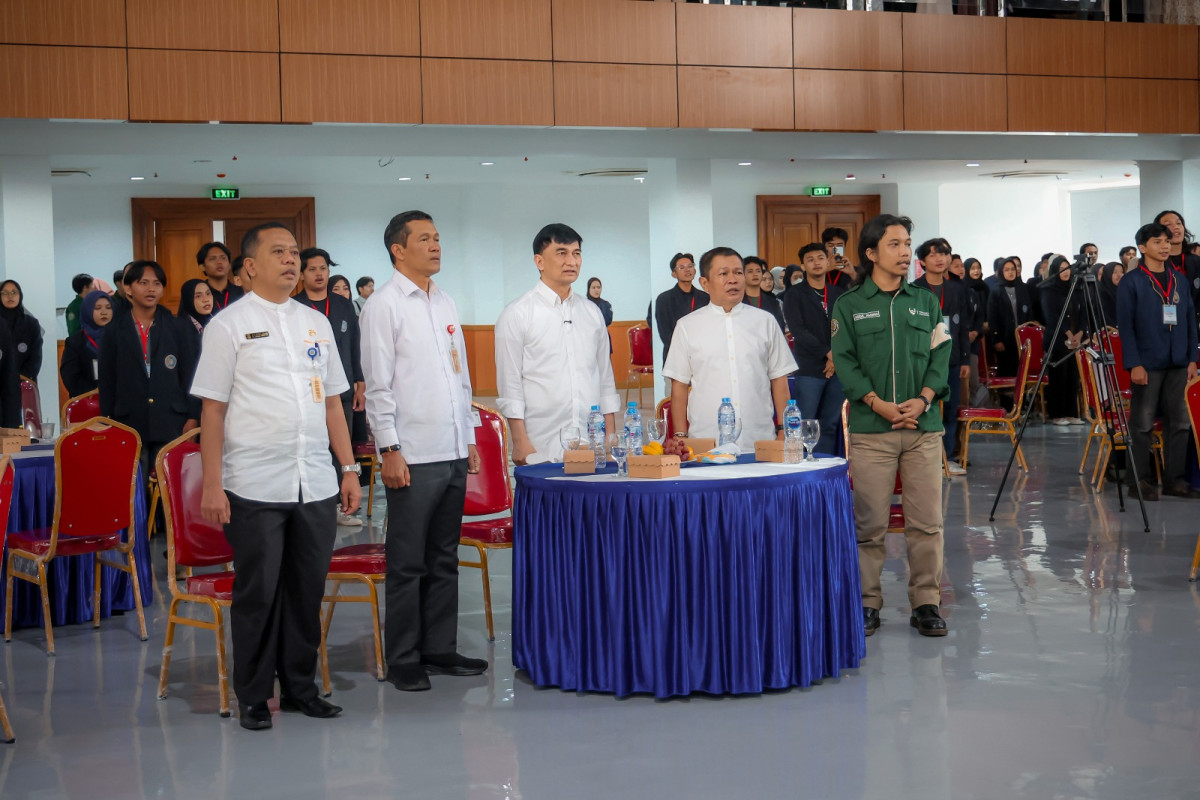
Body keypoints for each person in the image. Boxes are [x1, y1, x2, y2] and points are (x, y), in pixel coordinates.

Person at [192, 222, 361, 730]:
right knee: (258, 593)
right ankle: (252, 694)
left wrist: (348, 468)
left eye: (294, 252)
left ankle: (300, 688)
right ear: (250, 266)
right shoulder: (229, 325)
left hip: (314, 479)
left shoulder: (316, 322)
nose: (291, 260)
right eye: (278, 252)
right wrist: (214, 483)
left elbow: (334, 402)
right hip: (254, 483)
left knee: (306, 590)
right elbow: (213, 412)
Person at [360, 210, 486, 693]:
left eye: (438, 238)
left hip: (451, 447)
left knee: (443, 557)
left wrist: (470, 436)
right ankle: (405, 656)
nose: (436, 246)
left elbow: (461, 375)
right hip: (411, 452)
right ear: (398, 249)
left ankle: (439, 646)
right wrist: (388, 448)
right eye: (425, 239)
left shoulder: (445, 301)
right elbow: (379, 386)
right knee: (408, 561)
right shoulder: (385, 305)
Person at [830, 214, 951, 638]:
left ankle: (926, 603)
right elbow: (844, 362)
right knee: (869, 524)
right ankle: (867, 603)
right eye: (895, 245)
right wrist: (877, 404)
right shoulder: (849, 305)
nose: (905, 252)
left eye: (907, 244)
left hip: (923, 428)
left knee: (926, 522)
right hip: (871, 428)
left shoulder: (927, 301)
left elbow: (941, 356)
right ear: (871, 253)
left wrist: (923, 399)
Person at [496, 225, 619, 464]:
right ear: (539, 261)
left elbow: (605, 377)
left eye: (577, 253)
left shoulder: (592, 312)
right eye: (561, 253)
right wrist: (520, 441)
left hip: (590, 439)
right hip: (541, 442)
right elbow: (510, 383)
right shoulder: (517, 314)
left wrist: (610, 435)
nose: (571, 261)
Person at [662, 247, 795, 447]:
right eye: (723, 274)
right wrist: (681, 436)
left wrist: (784, 430)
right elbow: (679, 386)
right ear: (705, 283)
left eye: (738, 272)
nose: (733, 280)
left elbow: (779, 379)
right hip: (706, 441)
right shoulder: (687, 326)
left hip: (759, 439)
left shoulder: (765, 321)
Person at [1116, 222, 1200, 501]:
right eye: (1157, 242)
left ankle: (1175, 480)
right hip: (1147, 363)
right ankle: (1138, 480)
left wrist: (1192, 358)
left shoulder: (1179, 279)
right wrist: (1134, 363)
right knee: (1142, 424)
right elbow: (1125, 327)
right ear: (1142, 248)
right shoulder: (1132, 282)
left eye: (1166, 241)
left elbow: (1189, 320)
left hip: (1178, 361)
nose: (1165, 246)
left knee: (1180, 422)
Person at [98, 260, 200, 479]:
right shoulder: (115, 330)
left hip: (172, 421)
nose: (151, 288)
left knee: (169, 489)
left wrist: (193, 418)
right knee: (133, 490)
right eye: (143, 283)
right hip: (128, 422)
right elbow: (107, 380)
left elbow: (191, 376)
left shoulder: (178, 327)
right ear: (128, 289)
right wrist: (108, 420)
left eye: (156, 283)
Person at [295, 248, 365, 527]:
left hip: (343, 391)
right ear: (301, 274)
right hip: (308, 395)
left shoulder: (342, 304)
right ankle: (314, 506)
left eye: (323, 268)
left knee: (341, 447)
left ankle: (340, 505)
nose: (319, 273)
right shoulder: (295, 307)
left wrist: (359, 381)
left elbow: (354, 344)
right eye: (312, 269)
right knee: (314, 449)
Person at [913, 238, 971, 473]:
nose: (940, 259)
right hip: (922, 361)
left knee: (950, 407)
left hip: (952, 359)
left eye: (944, 254)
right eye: (934, 255)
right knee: (924, 408)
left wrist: (966, 358)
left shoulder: (957, 289)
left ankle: (946, 458)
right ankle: (923, 458)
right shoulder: (914, 289)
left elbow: (963, 326)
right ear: (923, 261)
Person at [782, 243, 844, 455]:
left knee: (830, 424)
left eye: (820, 258)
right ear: (803, 265)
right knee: (805, 423)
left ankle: (824, 465)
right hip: (809, 368)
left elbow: (845, 328)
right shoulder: (794, 294)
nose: (816, 263)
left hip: (837, 370)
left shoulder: (839, 293)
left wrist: (835, 358)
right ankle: (801, 468)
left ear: (828, 262)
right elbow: (799, 331)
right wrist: (828, 353)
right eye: (810, 259)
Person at [1038, 255, 1087, 426]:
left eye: (1068, 268)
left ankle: (1071, 413)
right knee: (1059, 377)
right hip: (1057, 340)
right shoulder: (1048, 290)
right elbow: (1052, 317)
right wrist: (1068, 333)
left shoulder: (1076, 288)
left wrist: (1080, 333)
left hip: (1075, 341)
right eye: (1061, 269)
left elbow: (1083, 313)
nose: (1065, 273)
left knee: (1073, 377)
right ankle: (1057, 414)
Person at [654, 252, 709, 364]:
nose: (687, 270)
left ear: (695, 271)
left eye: (690, 266)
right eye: (681, 267)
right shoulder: (664, 299)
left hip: (702, 358)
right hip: (675, 359)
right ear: (674, 274)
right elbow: (665, 334)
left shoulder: (705, 298)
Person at [60, 290, 113, 397]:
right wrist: (95, 393)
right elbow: (71, 377)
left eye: (108, 307)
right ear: (87, 310)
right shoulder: (75, 342)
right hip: (87, 400)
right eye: (97, 308)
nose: (104, 312)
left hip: (120, 402)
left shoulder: (121, 338)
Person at [987, 257, 1033, 378]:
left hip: (1023, 339)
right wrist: (996, 339)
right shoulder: (996, 291)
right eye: (1007, 270)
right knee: (1007, 373)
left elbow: (1029, 313)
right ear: (1001, 272)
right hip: (1005, 340)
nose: (1011, 272)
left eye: (1013, 269)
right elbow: (993, 318)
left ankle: (1023, 397)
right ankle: (1007, 397)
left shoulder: (1022, 288)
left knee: (1023, 372)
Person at [0, 280, 43, 382]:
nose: (10, 296)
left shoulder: (31, 324)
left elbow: (36, 357)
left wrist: (20, 378)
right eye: (5, 293)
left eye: (14, 292)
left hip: (24, 383)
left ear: (20, 295)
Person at [740, 256, 785, 331]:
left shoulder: (773, 303)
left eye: (758, 271)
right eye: (750, 271)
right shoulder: (737, 302)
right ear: (743, 274)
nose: (755, 274)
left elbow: (780, 329)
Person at [198, 241, 244, 312]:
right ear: (202, 267)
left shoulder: (242, 292)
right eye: (212, 259)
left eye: (223, 258)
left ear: (229, 265)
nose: (219, 262)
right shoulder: (196, 294)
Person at [177, 278, 214, 343]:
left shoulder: (218, 322)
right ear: (188, 300)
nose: (206, 299)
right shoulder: (179, 331)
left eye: (208, 293)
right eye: (198, 296)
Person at [585, 276, 614, 353]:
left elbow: (608, 321)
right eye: (593, 287)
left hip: (603, 337)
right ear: (589, 289)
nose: (596, 290)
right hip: (588, 339)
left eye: (598, 287)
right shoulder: (584, 305)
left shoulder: (606, 304)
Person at [1097, 261, 1123, 328]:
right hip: (1109, 332)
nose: (1119, 275)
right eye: (1115, 272)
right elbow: (1104, 317)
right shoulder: (1101, 293)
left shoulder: (1125, 292)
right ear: (1107, 274)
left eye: (1122, 272)